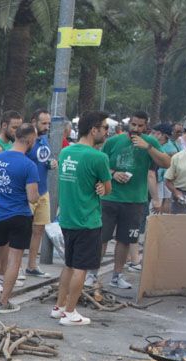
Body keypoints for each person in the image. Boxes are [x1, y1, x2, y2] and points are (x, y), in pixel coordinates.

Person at [97, 111, 170, 290]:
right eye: (133, 125)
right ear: (129, 123)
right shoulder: (114, 141)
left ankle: (117, 275)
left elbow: (166, 163)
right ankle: (92, 274)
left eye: (140, 126)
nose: (135, 129)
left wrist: (148, 148)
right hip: (110, 197)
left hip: (135, 200)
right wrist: (114, 174)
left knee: (125, 239)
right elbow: (101, 164)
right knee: (101, 237)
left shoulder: (150, 142)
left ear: (146, 127)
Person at [52, 111, 112, 327]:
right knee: (81, 268)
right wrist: (101, 186)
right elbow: (107, 188)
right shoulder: (99, 157)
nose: (107, 132)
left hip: (67, 218)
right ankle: (70, 312)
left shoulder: (66, 152)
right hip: (87, 219)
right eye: (104, 128)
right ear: (94, 129)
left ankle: (59, 307)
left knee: (69, 264)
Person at [0, 124, 39, 313]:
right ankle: (4, 301)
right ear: (30, 140)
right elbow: (32, 197)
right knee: (14, 259)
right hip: (20, 216)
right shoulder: (28, 165)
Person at [24, 109, 56, 277]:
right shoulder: (28, 140)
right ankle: (11, 267)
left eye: (48, 123)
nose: (47, 126)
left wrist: (51, 163)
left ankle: (31, 265)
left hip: (43, 191)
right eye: (43, 123)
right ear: (34, 121)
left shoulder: (45, 139)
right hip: (27, 192)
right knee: (22, 230)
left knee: (39, 229)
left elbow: (42, 160)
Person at [150, 123, 178, 215]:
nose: (152, 135)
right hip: (158, 178)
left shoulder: (171, 147)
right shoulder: (155, 144)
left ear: (164, 135)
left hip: (162, 178)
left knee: (163, 201)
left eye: (156, 133)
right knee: (159, 201)